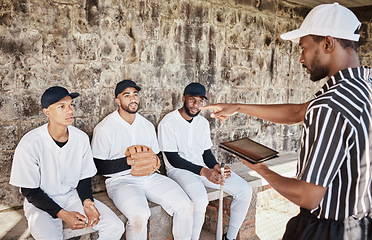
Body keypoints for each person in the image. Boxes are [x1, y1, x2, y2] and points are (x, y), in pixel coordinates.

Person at [202, 3, 372, 240]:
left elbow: (308, 196)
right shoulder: (363, 87)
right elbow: (298, 112)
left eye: (304, 48)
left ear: (328, 43)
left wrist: (263, 171)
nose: (301, 58)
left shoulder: (330, 105)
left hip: (328, 230)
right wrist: (238, 107)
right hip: (361, 225)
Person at [9, 86, 124, 240]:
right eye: (61, 106)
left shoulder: (80, 138)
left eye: (71, 105)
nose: (70, 111)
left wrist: (87, 203)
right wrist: (63, 215)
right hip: (40, 203)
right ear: (47, 112)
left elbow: (84, 177)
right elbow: (30, 191)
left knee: (114, 226)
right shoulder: (30, 143)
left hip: (71, 196)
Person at [91, 79, 193, 240]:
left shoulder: (146, 125)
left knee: (186, 205)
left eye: (135, 94)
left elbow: (156, 156)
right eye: (126, 95)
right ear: (117, 100)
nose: (133, 99)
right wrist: (130, 162)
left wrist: (154, 162)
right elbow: (98, 167)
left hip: (150, 177)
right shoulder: (105, 128)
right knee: (140, 214)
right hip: (121, 181)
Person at [157, 82, 252, 240]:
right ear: (183, 99)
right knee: (200, 200)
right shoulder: (168, 122)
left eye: (200, 101)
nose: (196, 105)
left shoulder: (202, 123)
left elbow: (206, 153)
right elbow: (173, 159)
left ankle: (230, 238)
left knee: (245, 190)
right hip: (180, 171)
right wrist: (205, 172)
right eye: (192, 100)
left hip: (203, 170)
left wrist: (216, 167)